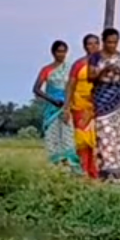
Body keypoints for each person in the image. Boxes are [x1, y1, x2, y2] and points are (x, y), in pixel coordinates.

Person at [90, 27, 120, 181]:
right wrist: (104, 71)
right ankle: (105, 167)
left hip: (118, 100)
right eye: (109, 42)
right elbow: (91, 77)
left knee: (117, 133)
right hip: (102, 100)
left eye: (115, 42)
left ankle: (116, 167)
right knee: (103, 132)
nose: (112, 45)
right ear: (103, 42)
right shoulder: (96, 57)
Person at [34, 39, 80, 170]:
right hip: (52, 107)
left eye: (64, 51)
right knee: (52, 135)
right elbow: (36, 89)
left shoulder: (71, 69)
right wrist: (52, 100)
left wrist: (67, 105)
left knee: (67, 135)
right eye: (59, 51)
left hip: (67, 106)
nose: (62, 54)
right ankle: (54, 166)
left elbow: (74, 87)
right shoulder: (46, 70)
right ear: (53, 52)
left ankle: (70, 165)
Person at [64, 33, 102, 178]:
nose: (93, 46)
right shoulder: (78, 64)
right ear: (85, 46)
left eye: (95, 43)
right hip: (79, 107)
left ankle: (95, 173)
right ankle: (83, 171)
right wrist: (66, 107)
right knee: (82, 141)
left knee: (96, 141)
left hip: (97, 108)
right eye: (89, 44)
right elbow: (70, 86)